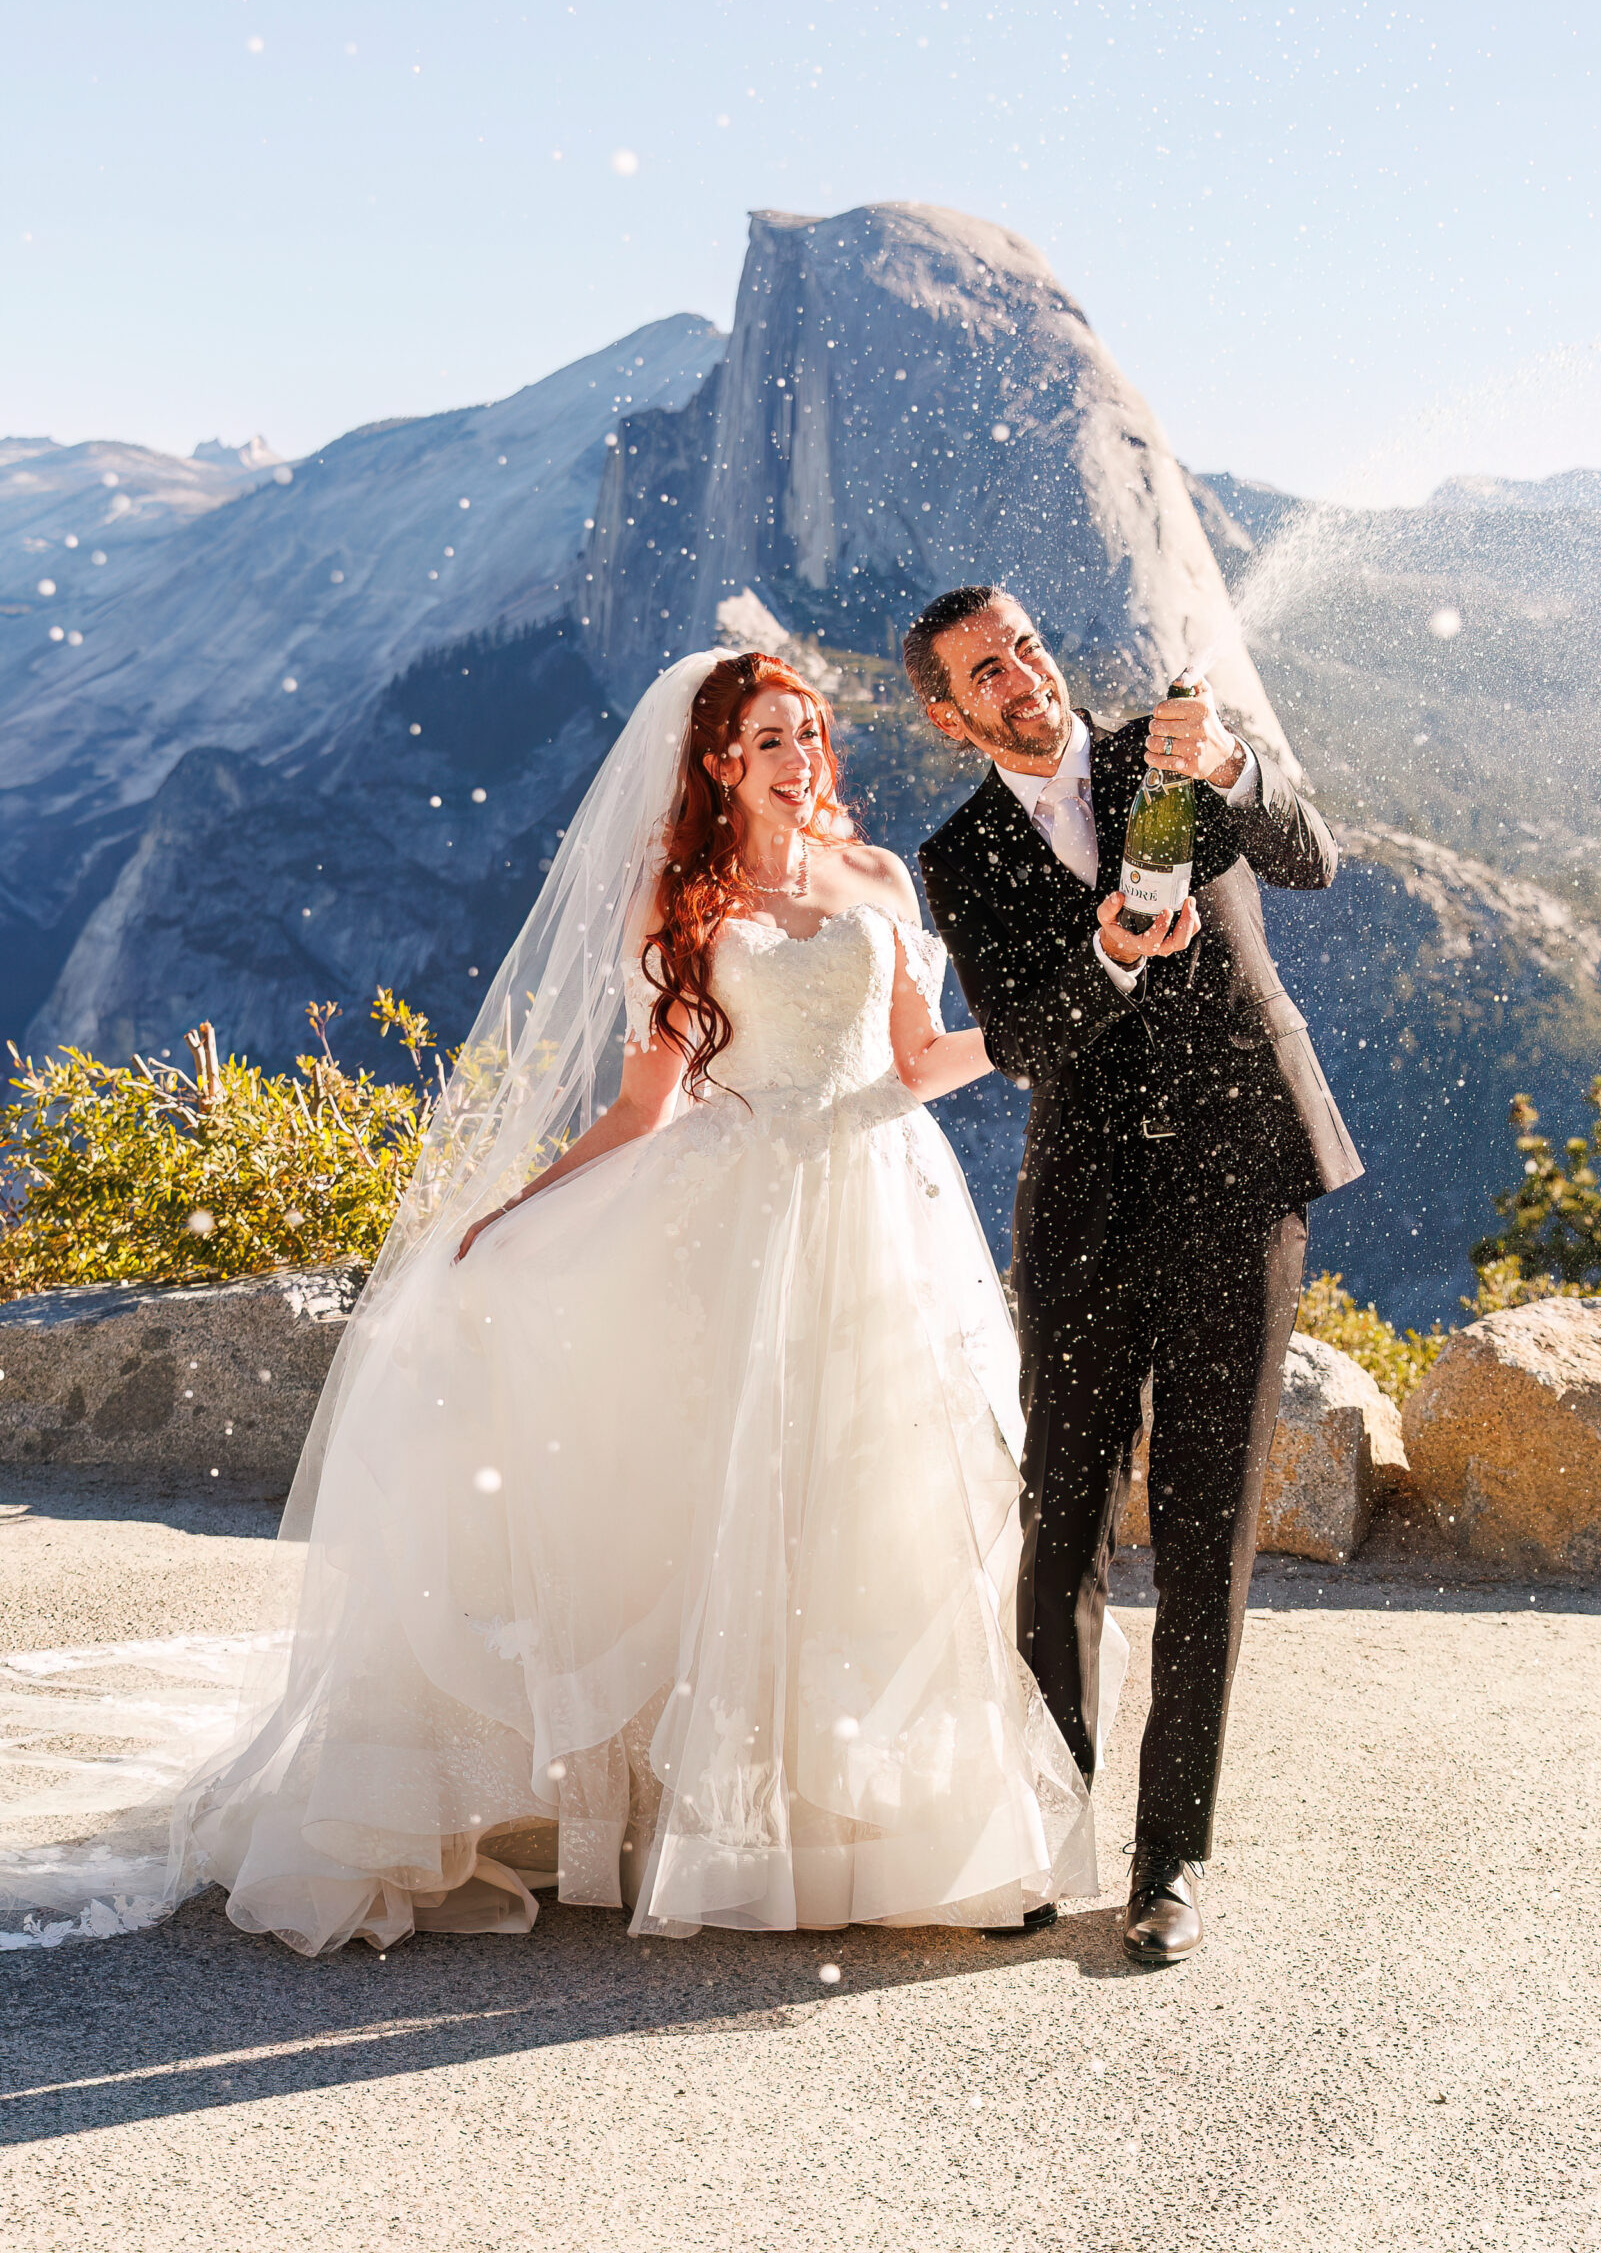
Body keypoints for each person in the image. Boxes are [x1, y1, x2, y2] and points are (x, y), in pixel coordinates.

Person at [0, 650, 1105, 1957]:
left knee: (872, 1504)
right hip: (738, 1216)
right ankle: (703, 1818)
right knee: (719, 1506)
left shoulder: (875, 878)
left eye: (807, 732)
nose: (798, 756)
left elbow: (919, 1060)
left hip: (878, 1207)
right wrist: (519, 1215)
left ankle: (859, 1827)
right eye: (767, 738)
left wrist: (1057, 1011)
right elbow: (647, 1107)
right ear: (718, 764)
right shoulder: (687, 900)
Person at [908, 587, 1362, 1965]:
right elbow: (1027, 1039)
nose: (1024, 675)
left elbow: (1313, 859)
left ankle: (1169, 1858)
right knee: (1063, 1517)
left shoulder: (1166, 753)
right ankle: (1045, 1832)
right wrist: (1106, 956)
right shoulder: (962, 851)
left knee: (1207, 1516)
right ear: (950, 713)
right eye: (990, 670)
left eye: (1030, 647)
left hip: (1243, 1173)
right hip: (1087, 1207)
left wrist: (1230, 764)